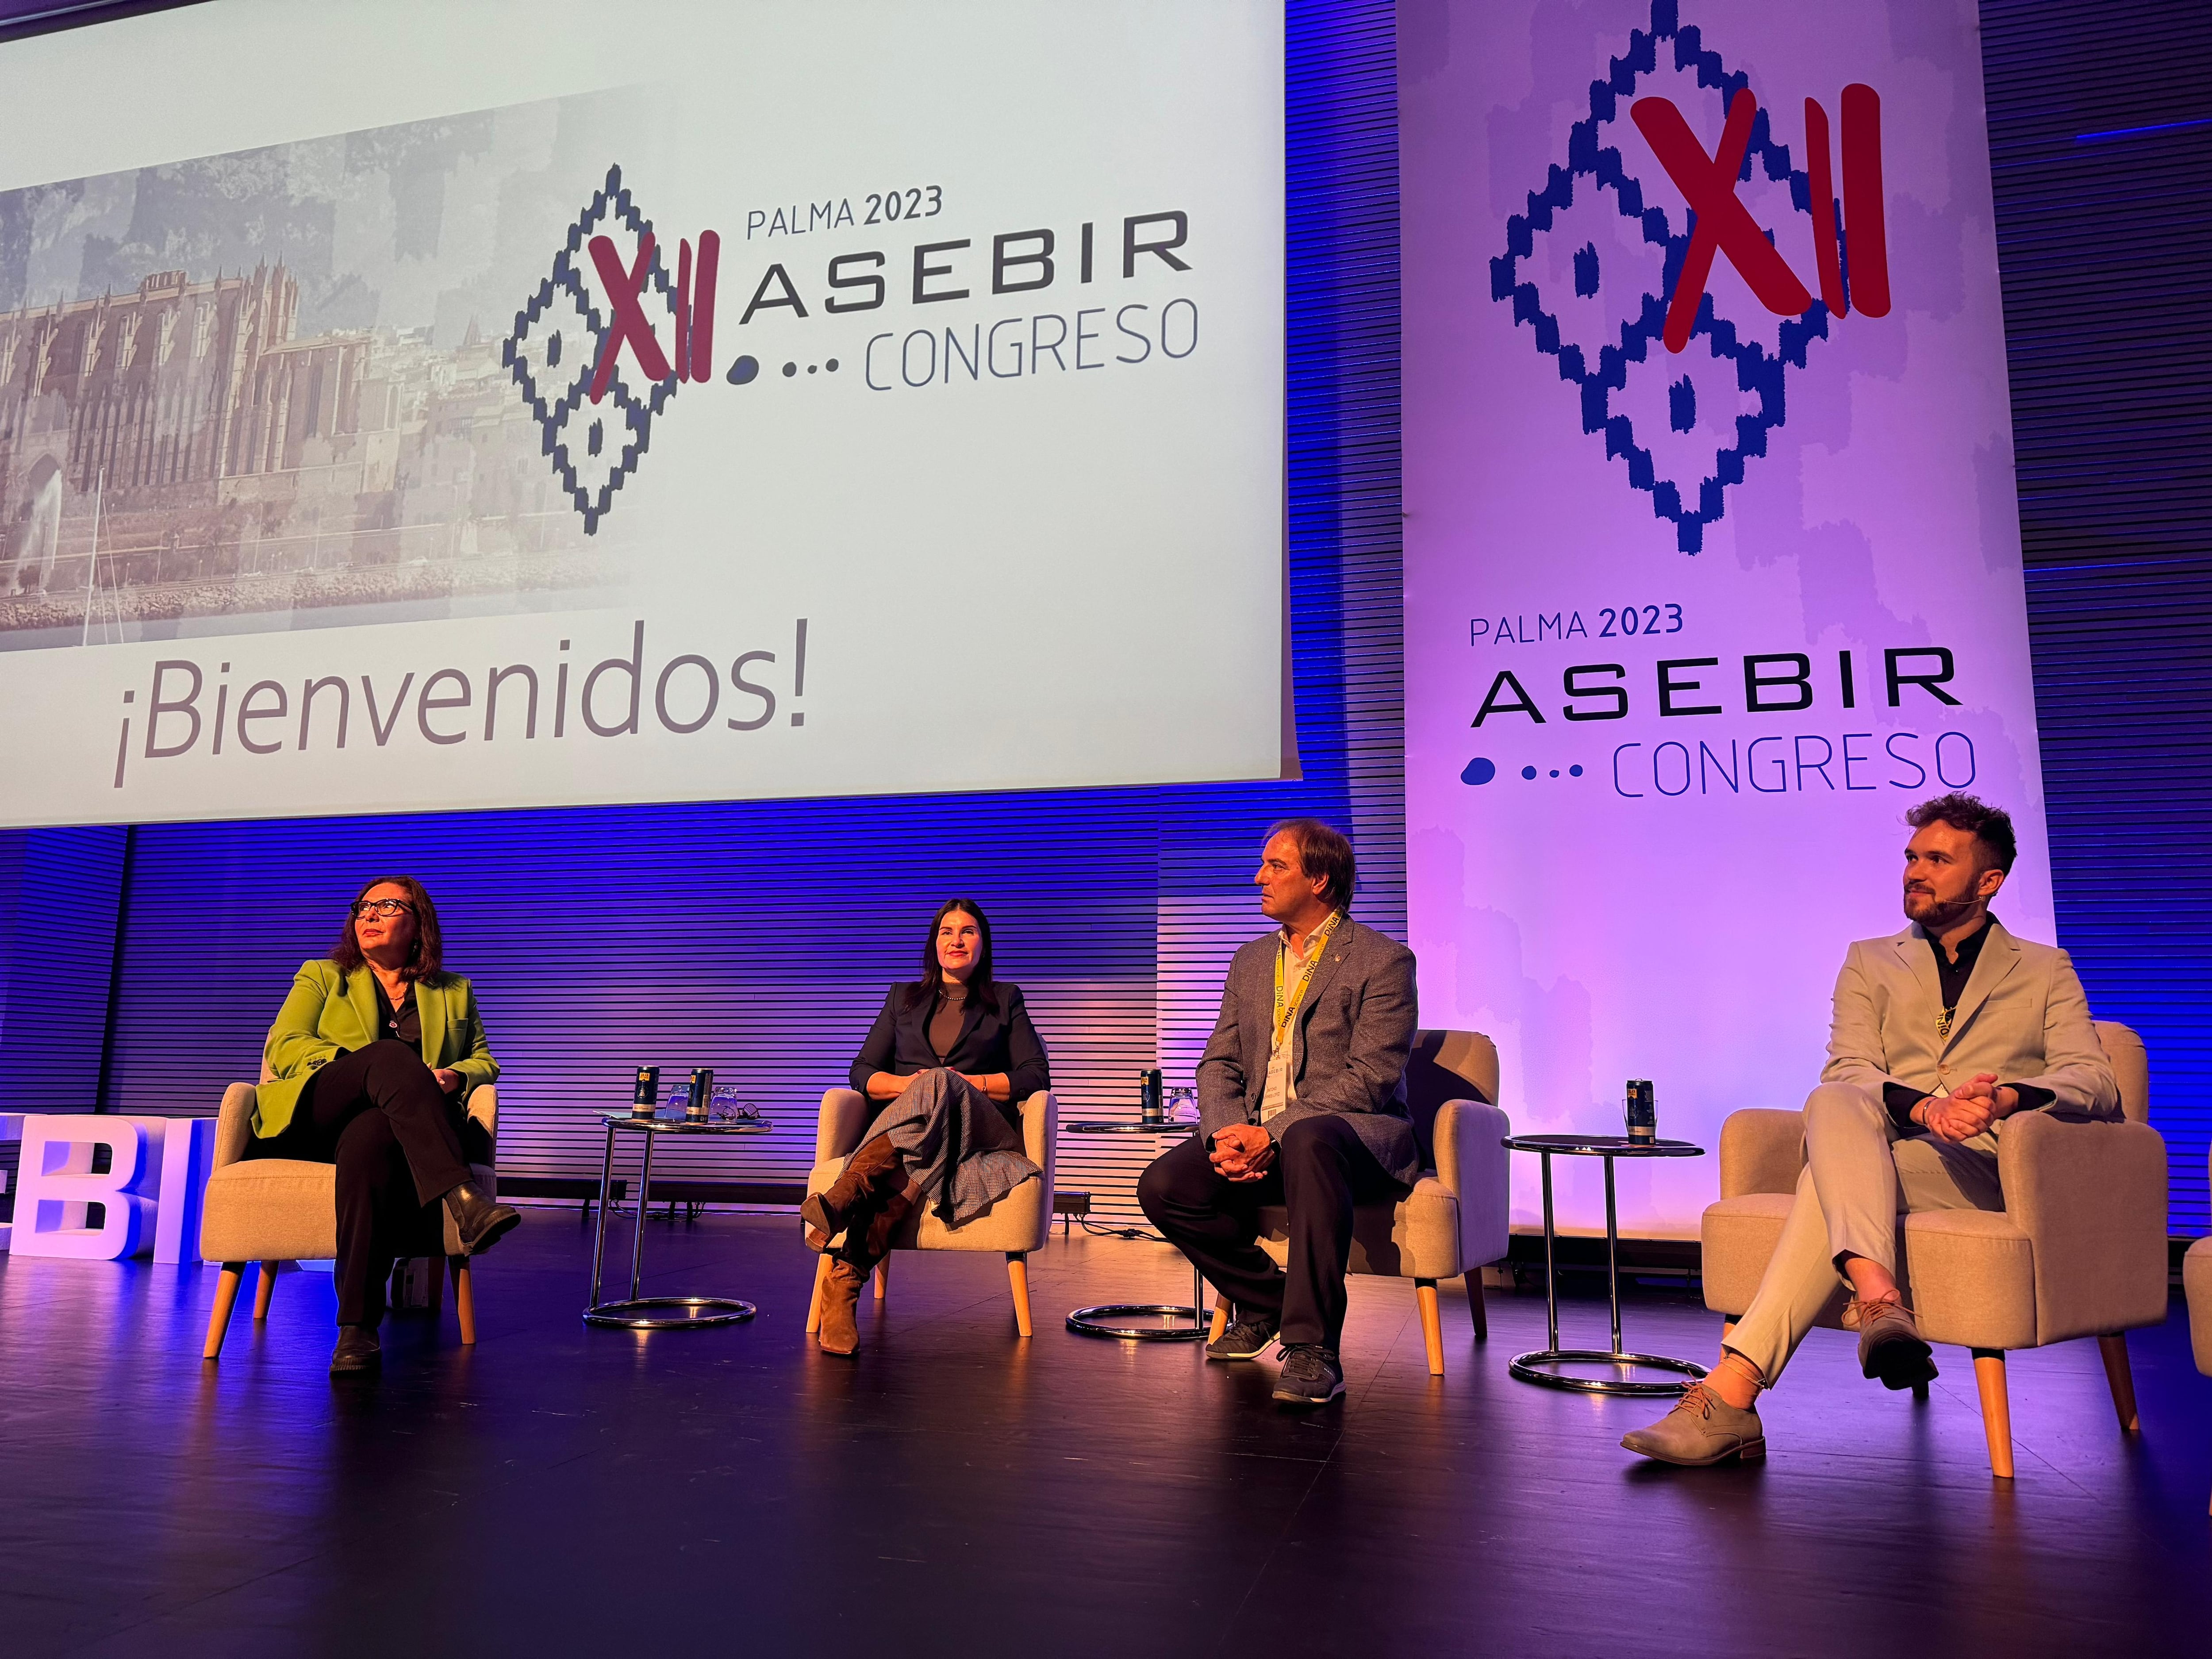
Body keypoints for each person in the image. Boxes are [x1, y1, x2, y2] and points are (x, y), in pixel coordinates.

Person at [1622, 794, 2120, 1465]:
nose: (1916, 870)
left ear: (1988, 880)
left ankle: (1733, 1399)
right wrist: (1924, 1109)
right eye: (1913, 856)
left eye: (1939, 859)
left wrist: (2007, 1096)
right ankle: (1879, 1303)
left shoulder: (2042, 968)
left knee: (1820, 1184)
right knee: (1833, 1095)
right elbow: (1852, 1066)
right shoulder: (1869, 960)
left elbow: (2096, 1079)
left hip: (1980, 1167)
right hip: (1881, 1143)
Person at [1137, 819, 1419, 1407]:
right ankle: (1265, 1298)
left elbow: (1370, 1078)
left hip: (1349, 1139)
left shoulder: (1383, 960)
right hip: (1259, 1129)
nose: (1259, 876)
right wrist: (1225, 1132)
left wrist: (1271, 1132)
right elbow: (1219, 1061)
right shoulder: (1250, 961)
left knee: (1313, 1137)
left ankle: (1315, 1347)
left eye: (1276, 866)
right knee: (1163, 1184)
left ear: (1320, 879)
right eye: (1263, 864)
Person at [253, 877, 521, 1375]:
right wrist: (363, 1067)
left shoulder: (454, 991)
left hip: (394, 1128)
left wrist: (451, 1077)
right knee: (388, 1058)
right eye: (363, 907)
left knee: (371, 1139)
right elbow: (285, 1045)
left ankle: (356, 1330)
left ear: (418, 922)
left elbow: (485, 1062)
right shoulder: (322, 975)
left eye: (387, 906)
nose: (369, 915)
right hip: (321, 1109)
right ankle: (464, 1200)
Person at [803, 898, 1050, 1356]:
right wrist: (905, 1086)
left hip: (980, 1130)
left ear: (983, 943)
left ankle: (845, 1196)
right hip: (917, 1138)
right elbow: (861, 1072)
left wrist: (964, 1084)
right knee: (924, 1142)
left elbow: (1035, 1075)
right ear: (934, 942)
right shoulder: (902, 997)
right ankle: (845, 1279)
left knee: (940, 1084)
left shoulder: (1005, 999)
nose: (956, 940)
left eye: (968, 931)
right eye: (946, 931)